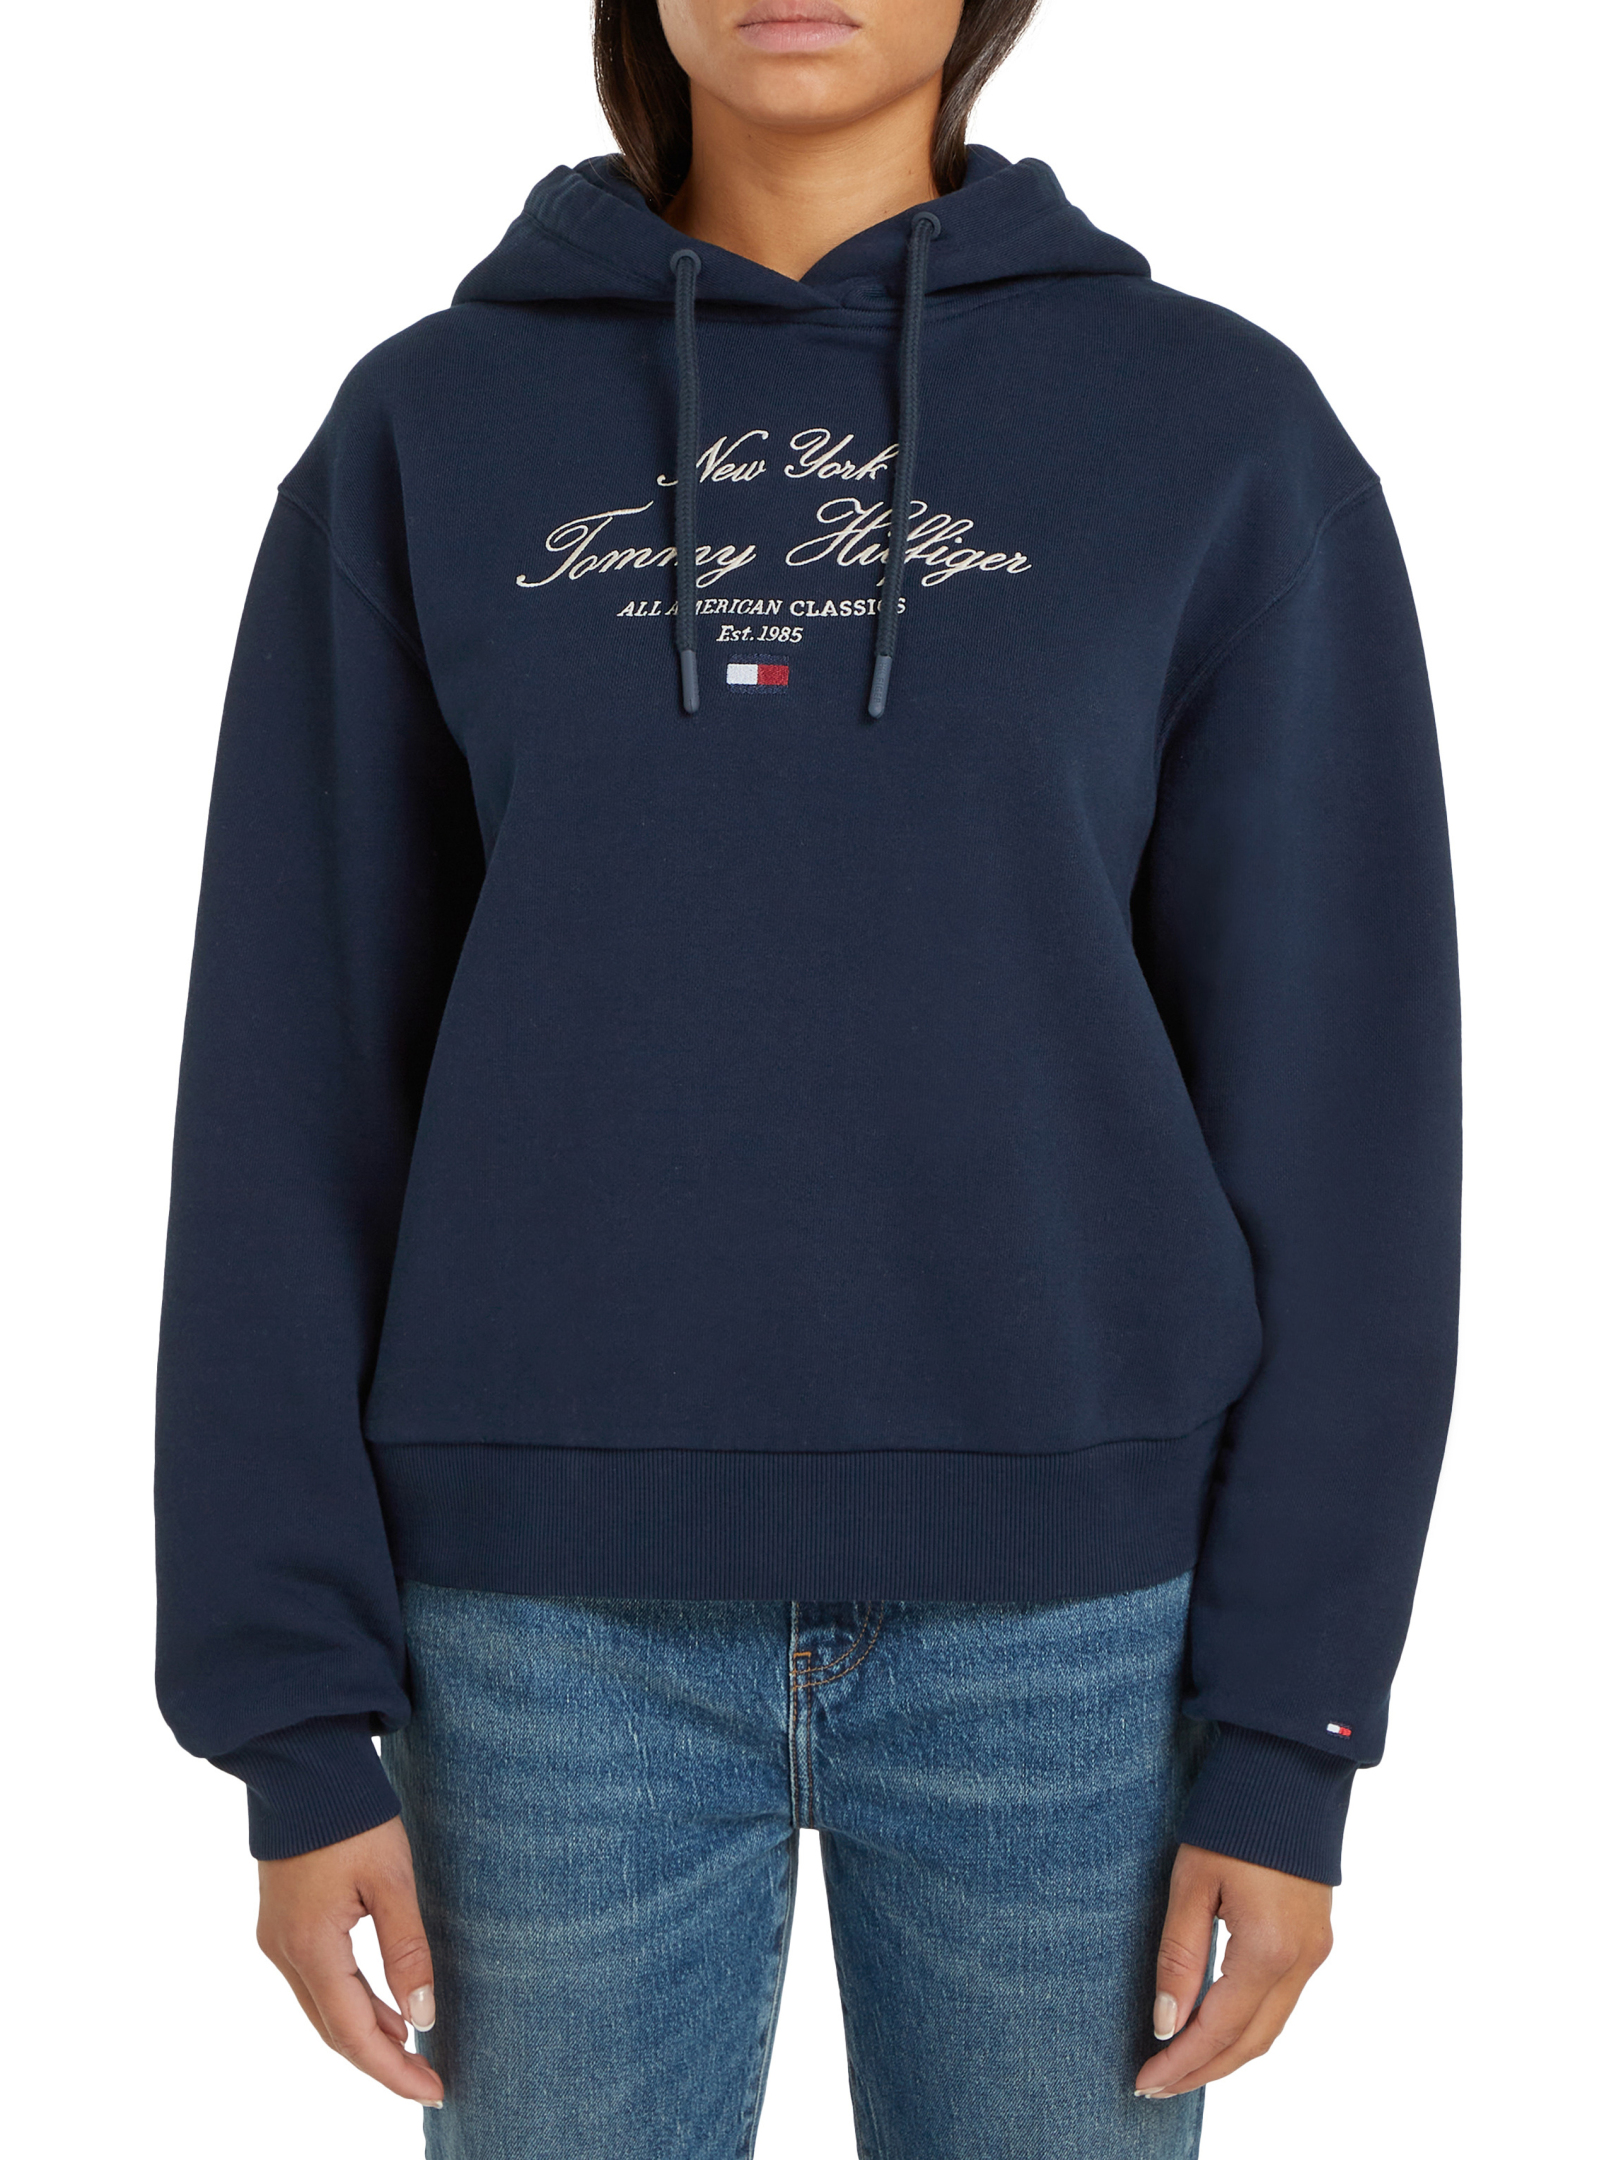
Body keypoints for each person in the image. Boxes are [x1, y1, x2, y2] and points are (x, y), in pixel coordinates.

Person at [154, 2, 1461, 2153]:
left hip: (1078, 1643)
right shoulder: (432, 426)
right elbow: (290, 1085)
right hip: (535, 1638)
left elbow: (1343, 1102)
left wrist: (1289, 1728)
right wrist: (290, 1714)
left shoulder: (1210, 428)